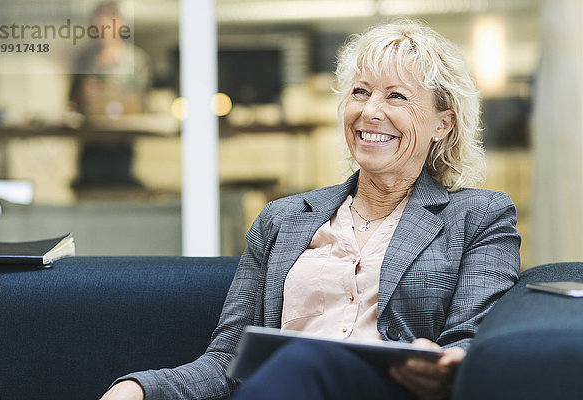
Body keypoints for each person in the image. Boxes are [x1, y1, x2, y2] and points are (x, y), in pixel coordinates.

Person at [100, 18, 520, 400]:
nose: (370, 111)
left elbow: (471, 343)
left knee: (305, 359)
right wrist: (139, 388)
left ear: (442, 124)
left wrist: (444, 364)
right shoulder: (281, 219)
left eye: (396, 96)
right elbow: (227, 360)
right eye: (360, 91)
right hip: (279, 389)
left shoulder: (480, 216)